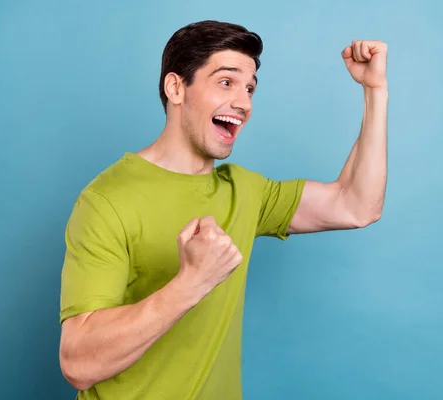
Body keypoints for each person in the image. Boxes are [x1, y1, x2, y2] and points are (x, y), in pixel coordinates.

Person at [58, 20, 388, 400]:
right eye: (226, 82)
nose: (244, 102)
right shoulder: (107, 200)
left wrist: (374, 91)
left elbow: (357, 204)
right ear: (176, 87)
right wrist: (190, 284)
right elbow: (78, 364)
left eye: (249, 89)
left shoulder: (245, 191)